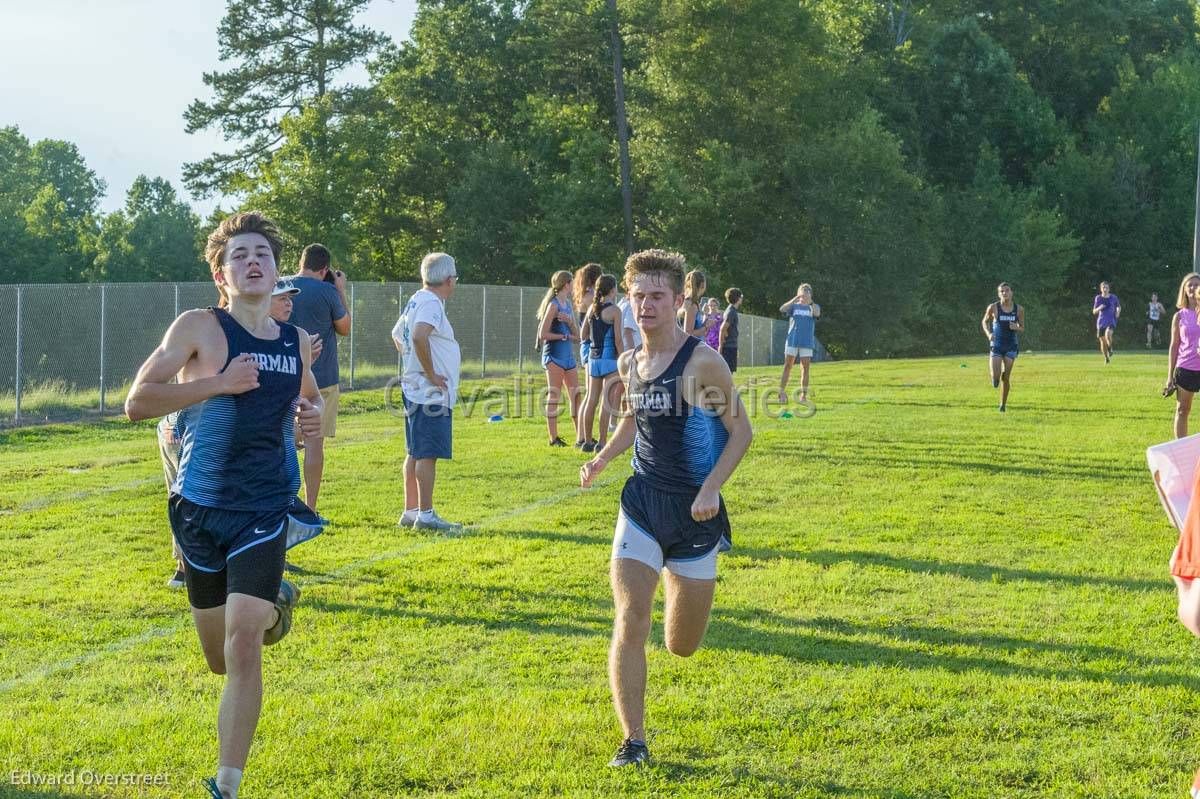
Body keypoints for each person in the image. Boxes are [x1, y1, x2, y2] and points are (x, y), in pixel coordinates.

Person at [125, 211, 323, 799]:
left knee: (240, 641)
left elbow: (310, 406)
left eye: (262, 252)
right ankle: (273, 605)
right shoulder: (198, 328)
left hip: (264, 507)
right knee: (218, 657)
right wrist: (218, 383)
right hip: (197, 510)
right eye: (239, 255)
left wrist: (310, 418)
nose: (253, 261)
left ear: (277, 269)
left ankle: (226, 784)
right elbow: (137, 402)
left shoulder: (295, 344)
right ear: (222, 274)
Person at [580, 248, 752, 768]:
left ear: (679, 301)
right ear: (628, 302)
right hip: (641, 503)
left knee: (680, 644)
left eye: (658, 296)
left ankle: (683, 585)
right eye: (639, 296)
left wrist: (711, 489)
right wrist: (604, 459)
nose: (647, 305)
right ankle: (633, 741)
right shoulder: (630, 361)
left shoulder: (703, 362)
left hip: (695, 514)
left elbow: (741, 431)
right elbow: (632, 418)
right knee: (630, 619)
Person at [394, 253, 463, 532]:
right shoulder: (432, 302)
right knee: (427, 454)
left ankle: (411, 511)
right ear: (448, 279)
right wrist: (431, 373)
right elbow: (419, 335)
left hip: (414, 387)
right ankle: (425, 514)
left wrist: (413, 365)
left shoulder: (416, 298)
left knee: (414, 451)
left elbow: (398, 335)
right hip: (428, 393)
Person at [288, 243, 351, 511]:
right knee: (315, 443)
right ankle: (310, 509)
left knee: (281, 441)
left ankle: (281, 505)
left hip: (284, 375)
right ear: (324, 268)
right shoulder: (327, 290)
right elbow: (345, 328)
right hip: (321, 379)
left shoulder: (281, 287)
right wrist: (340, 290)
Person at [579, 274, 624, 453]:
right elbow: (619, 340)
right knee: (606, 402)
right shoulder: (615, 310)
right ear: (613, 290)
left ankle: (587, 441)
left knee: (591, 399)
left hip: (593, 359)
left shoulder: (592, 309)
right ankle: (602, 442)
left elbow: (584, 335)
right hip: (609, 360)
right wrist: (624, 361)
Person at [536, 270, 581, 446]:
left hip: (568, 358)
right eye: (572, 282)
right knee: (554, 396)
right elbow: (542, 334)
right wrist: (563, 337)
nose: (574, 285)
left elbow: (577, 337)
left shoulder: (567, 304)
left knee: (576, 396)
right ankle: (553, 439)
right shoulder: (553, 305)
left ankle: (581, 436)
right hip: (554, 356)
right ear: (566, 284)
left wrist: (569, 321)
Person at [1165, 273, 1200, 439]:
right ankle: (1182, 449)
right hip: (1186, 367)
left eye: (1196, 284)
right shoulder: (1179, 316)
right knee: (1182, 409)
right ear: (1184, 290)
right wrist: (1169, 377)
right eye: (1190, 285)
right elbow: (1174, 346)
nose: (1193, 288)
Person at [981, 282, 1024, 413]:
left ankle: (1002, 405)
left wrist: (1016, 327)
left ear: (1012, 293)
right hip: (997, 345)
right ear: (999, 294)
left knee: (1006, 377)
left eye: (1007, 290)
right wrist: (989, 334)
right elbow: (984, 321)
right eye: (1002, 291)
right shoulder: (993, 307)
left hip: (1011, 345)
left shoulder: (1019, 309)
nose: (1004, 293)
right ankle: (994, 379)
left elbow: (1022, 327)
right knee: (996, 376)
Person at [573, 263, 602, 447]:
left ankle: (582, 436)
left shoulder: (585, 293)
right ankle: (584, 438)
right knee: (591, 394)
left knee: (589, 394)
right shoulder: (590, 295)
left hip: (587, 345)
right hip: (589, 345)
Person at [779, 284, 821, 402]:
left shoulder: (813, 307)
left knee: (805, 368)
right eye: (803, 292)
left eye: (807, 292)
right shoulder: (794, 306)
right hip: (792, 341)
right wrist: (795, 299)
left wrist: (810, 302)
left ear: (810, 294)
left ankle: (803, 396)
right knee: (787, 366)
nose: (804, 294)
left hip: (806, 342)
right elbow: (782, 309)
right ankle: (781, 393)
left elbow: (817, 313)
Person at [676, 270, 713, 340]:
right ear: (702, 285)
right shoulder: (692, 305)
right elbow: (687, 333)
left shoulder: (685, 301)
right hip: (690, 348)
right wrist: (706, 327)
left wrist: (705, 322)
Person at [1093, 281, 1120, 363]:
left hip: (1111, 320)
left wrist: (1118, 312)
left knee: (1108, 334)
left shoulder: (1113, 297)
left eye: (1107, 287)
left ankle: (1110, 348)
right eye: (1103, 287)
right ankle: (1106, 358)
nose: (1105, 289)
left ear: (1109, 289)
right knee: (1102, 341)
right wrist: (1099, 308)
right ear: (1101, 289)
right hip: (1101, 322)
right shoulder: (1098, 298)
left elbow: (1118, 306)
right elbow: (1094, 311)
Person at [719, 288, 742, 373]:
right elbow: (722, 329)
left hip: (731, 346)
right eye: (741, 296)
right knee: (728, 372)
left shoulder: (732, 310)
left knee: (729, 372)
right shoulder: (731, 312)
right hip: (728, 347)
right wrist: (720, 347)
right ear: (738, 298)